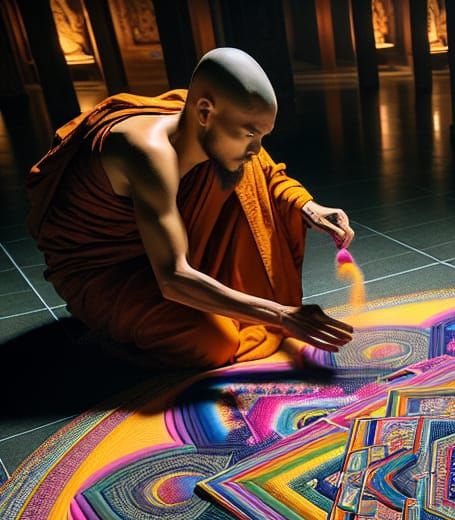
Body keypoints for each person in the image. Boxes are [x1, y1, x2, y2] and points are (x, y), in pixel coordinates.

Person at [26, 47, 354, 368]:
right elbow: (172, 278)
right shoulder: (147, 153)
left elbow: (266, 175)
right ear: (204, 112)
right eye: (250, 134)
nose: (256, 148)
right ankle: (111, 334)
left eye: (263, 135)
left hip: (166, 242)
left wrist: (308, 207)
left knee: (241, 171)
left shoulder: (208, 127)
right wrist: (281, 314)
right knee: (217, 343)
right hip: (109, 270)